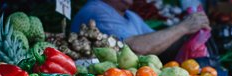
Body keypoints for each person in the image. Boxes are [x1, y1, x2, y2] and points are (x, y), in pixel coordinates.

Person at [71, 0, 211, 56]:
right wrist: (184, 27)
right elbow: (136, 47)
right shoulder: (96, 10)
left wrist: (192, 36)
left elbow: (159, 42)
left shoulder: (131, 16)